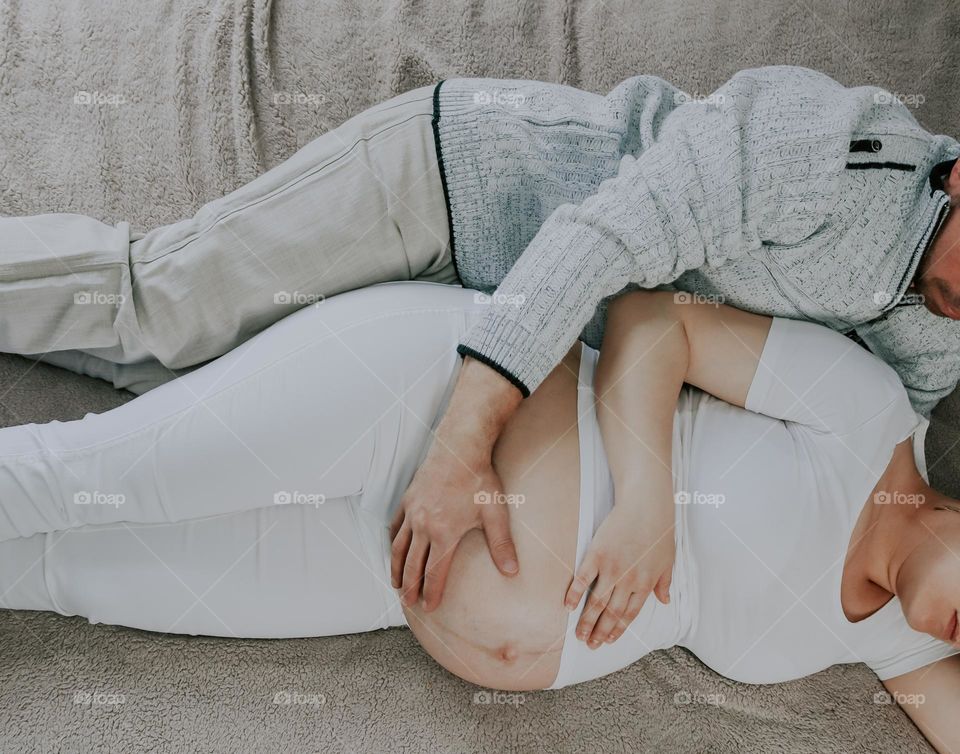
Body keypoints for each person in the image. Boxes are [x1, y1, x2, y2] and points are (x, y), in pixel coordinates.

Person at [4, 66, 960, 636]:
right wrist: (462, 446)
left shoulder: (937, 348)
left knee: (187, 393)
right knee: (160, 316)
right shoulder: (829, 151)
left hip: (486, 333)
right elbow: (602, 241)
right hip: (455, 195)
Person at [0, 281, 958, 751]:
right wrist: (648, 504)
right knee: (77, 478)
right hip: (419, 409)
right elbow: (654, 320)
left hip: (388, 577)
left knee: (67, 579)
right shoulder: (867, 416)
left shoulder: (908, 647)